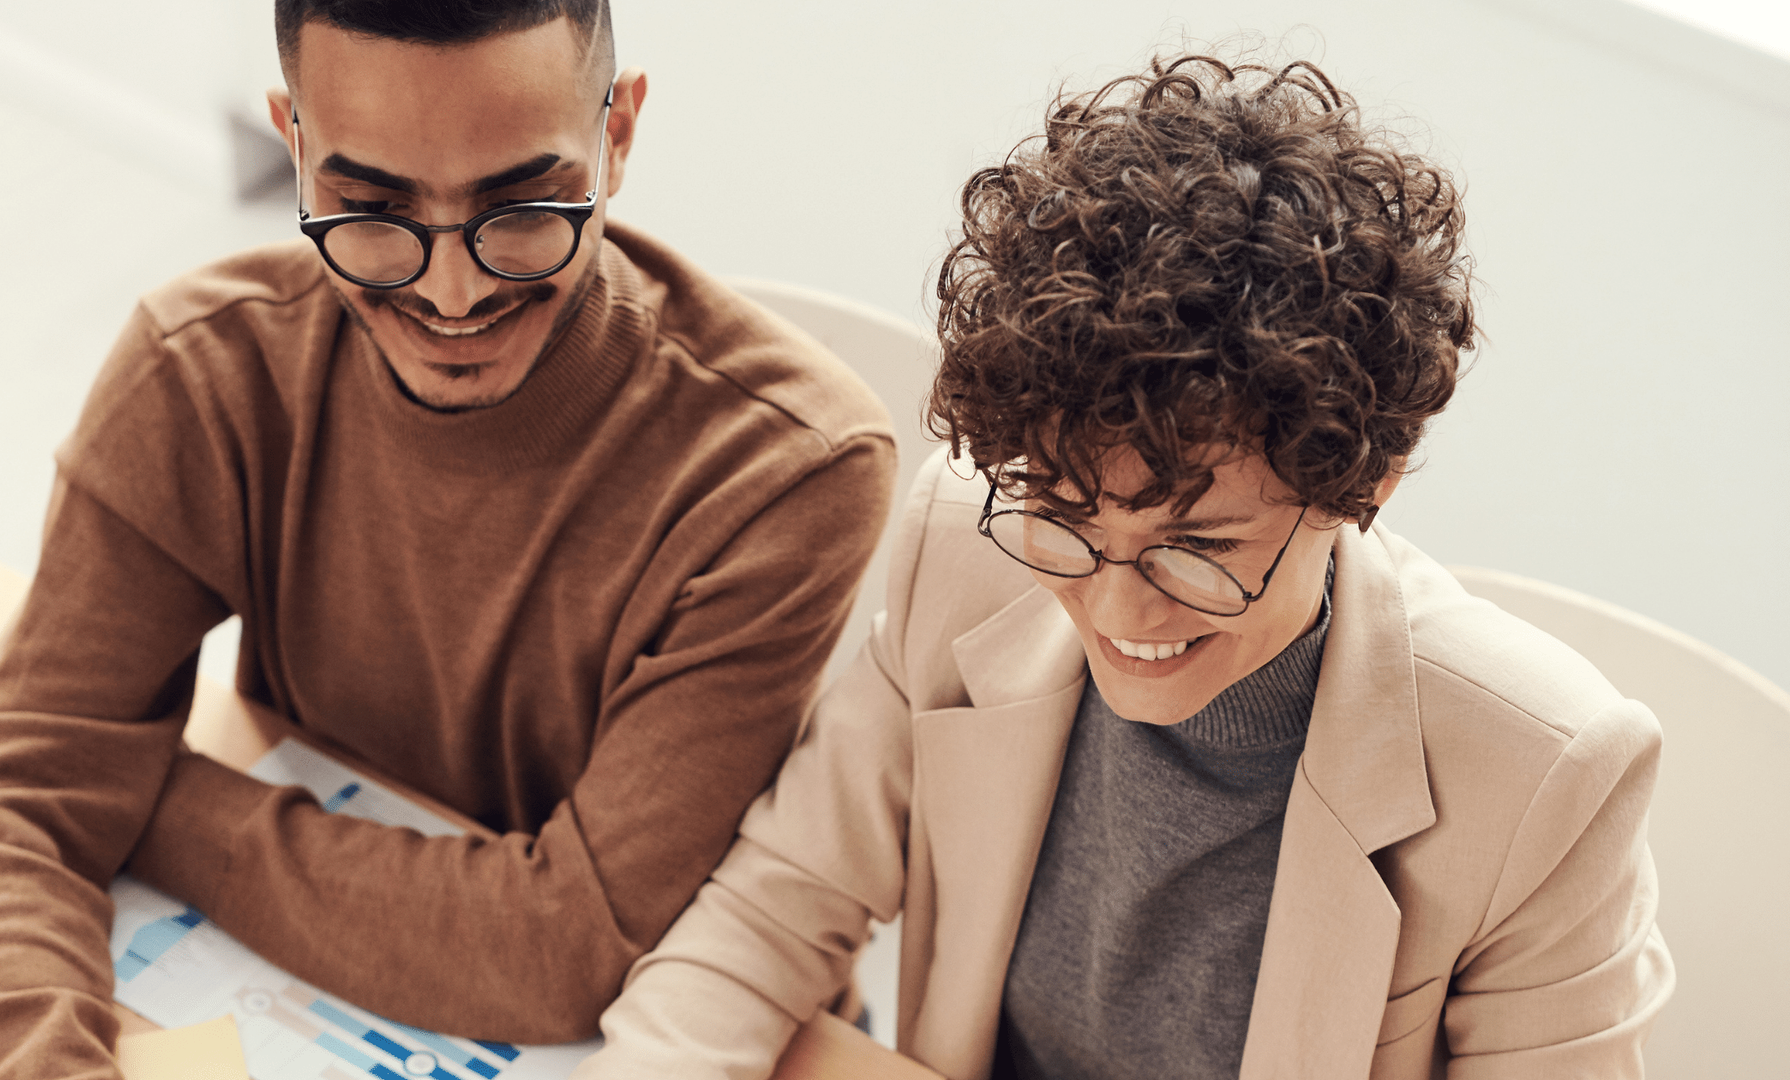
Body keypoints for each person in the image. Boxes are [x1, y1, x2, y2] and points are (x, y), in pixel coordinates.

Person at [574, 52, 1673, 1080]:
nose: (1113, 608)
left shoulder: (1547, 775)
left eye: (1197, 552)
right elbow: (777, 906)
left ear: (1363, 490)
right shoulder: (964, 545)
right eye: (1063, 519)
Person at [0, 0, 894, 1074]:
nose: (452, 290)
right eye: (371, 208)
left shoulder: (791, 465)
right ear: (294, 145)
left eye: (521, 206)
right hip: (277, 984)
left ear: (617, 135)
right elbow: (11, 795)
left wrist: (136, 791)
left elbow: (569, 949)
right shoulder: (202, 368)